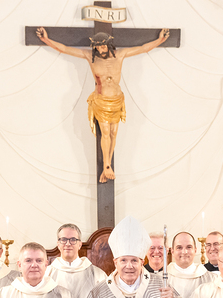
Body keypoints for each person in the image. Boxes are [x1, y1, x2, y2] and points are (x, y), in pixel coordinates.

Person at [35, 27, 170, 183]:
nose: (100, 49)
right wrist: (46, 40)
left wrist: (160, 40)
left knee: (113, 133)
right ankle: (106, 165)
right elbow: (64, 49)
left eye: (103, 46)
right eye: (98, 47)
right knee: (105, 132)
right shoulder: (90, 56)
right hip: (102, 101)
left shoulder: (120, 55)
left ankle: (107, 166)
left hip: (117, 100)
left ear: (109, 44)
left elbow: (143, 48)